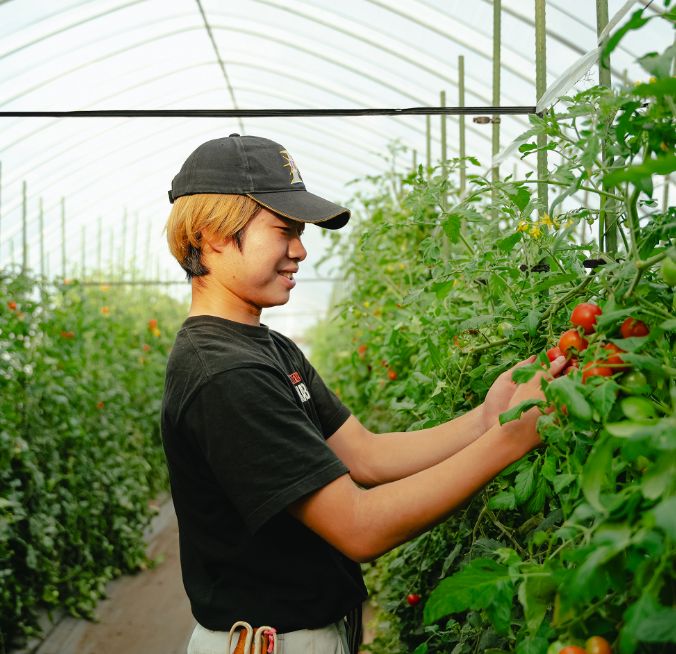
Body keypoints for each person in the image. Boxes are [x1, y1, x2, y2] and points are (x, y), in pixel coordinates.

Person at [161, 134, 567, 654]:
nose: (300, 250)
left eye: (300, 233)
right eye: (284, 230)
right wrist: (512, 439)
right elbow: (359, 526)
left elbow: (365, 455)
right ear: (213, 235)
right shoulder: (225, 373)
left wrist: (487, 419)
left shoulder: (266, 348)